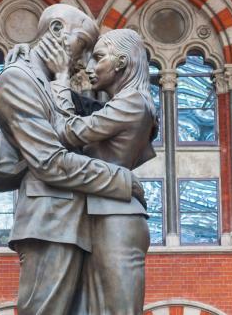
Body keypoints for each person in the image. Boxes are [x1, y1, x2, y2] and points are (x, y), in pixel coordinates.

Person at [0, 5, 145, 315]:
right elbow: (49, 161)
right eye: (85, 44)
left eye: (95, 53)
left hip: (77, 221)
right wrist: (121, 180)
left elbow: (91, 117)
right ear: (58, 31)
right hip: (49, 222)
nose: (86, 58)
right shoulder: (19, 80)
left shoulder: (47, 82)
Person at [39, 28, 158, 314]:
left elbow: (67, 132)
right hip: (102, 213)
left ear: (122, 62)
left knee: (118, 309)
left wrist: (60, 79)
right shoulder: (123, 103)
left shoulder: (132, 101)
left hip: (115, 216)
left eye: (99, 58)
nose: (91, 68)